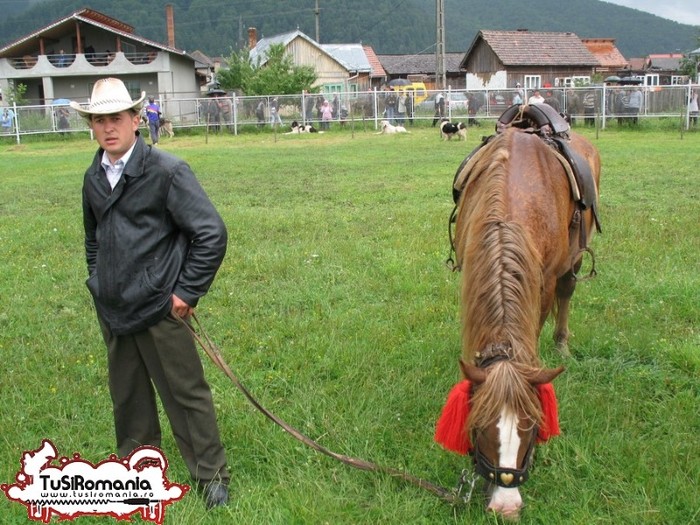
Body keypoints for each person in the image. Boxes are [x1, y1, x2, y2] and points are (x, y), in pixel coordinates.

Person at [69, 78, 230, 509]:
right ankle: (140, 474)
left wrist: (186, 292)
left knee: (185, 393)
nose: (108, 128)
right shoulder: (93, 176)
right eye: (99, 120)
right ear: (91, 125)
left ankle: (211, 477)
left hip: (161, 306)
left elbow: (211, 233)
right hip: (114, 307)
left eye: (115, 118)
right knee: (128, 397)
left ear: (135, 120)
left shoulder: (167, 171)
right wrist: (97, 280)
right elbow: (93, 239)